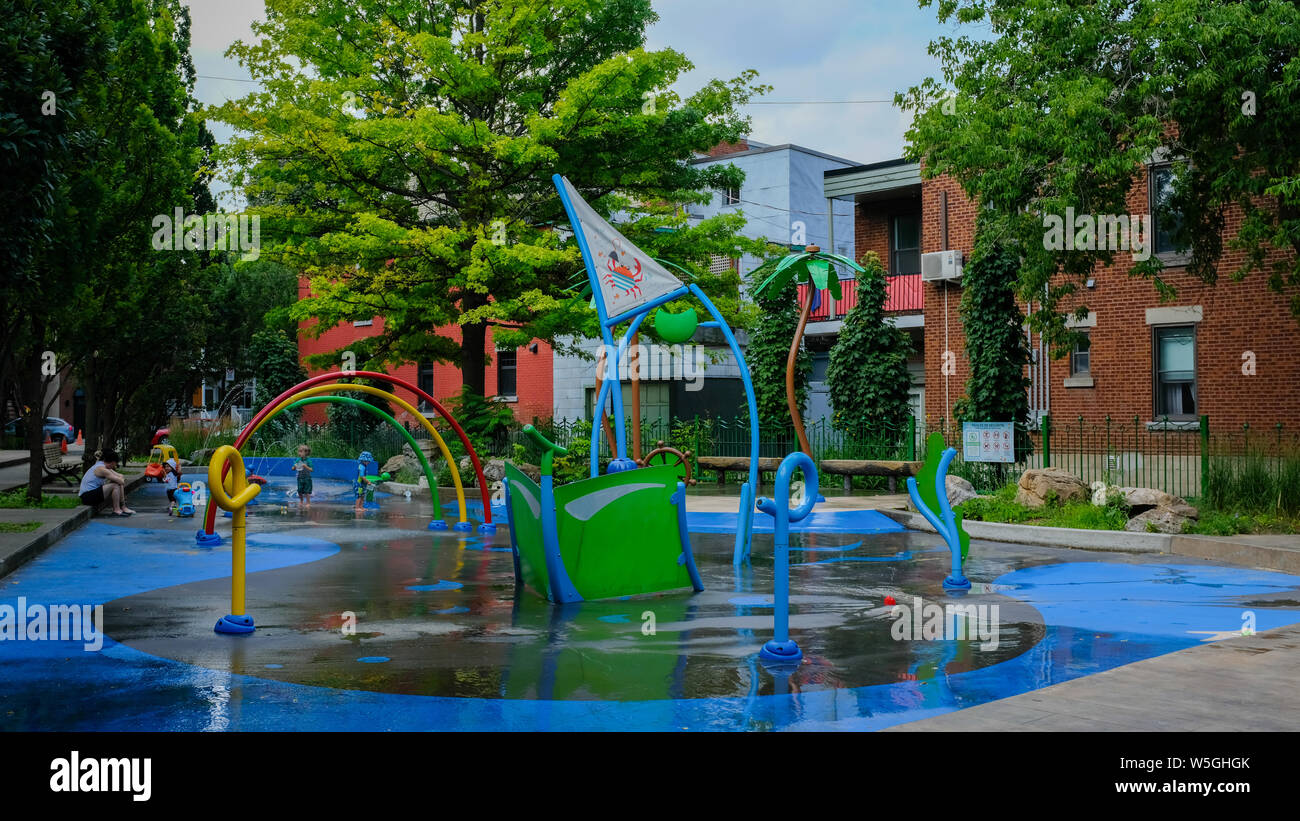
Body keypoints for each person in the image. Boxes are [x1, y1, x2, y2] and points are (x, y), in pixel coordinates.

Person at [79, 450, 134, 516]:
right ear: (113, 462)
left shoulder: (103, 465)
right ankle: (117, 510)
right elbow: (121, 481)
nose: (115, 467)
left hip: (90, 494)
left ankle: (123, 507)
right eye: (115, 464)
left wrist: (119, 479)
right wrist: (119, 479)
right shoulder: (102, 469)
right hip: (87, 497)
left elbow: (121, 476)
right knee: (115, 485)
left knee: (116, 482)